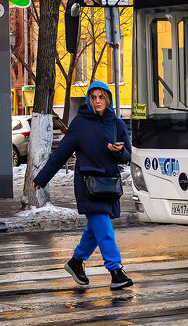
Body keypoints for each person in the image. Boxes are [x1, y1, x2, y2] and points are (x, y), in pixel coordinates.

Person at [33, 81, 133, 289]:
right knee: (103, 229)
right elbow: (61, 154)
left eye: (101, 97)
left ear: (108, 99)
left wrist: (118, 152)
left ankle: (76, 262)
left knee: (95, 229)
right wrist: (42, 178)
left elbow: (127, 156)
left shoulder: (117, 124)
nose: (97, 101)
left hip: (110, 184)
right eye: (93, 97)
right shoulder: (80, 123)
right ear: (88, 99)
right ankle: (115, 270)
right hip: (88, 185)